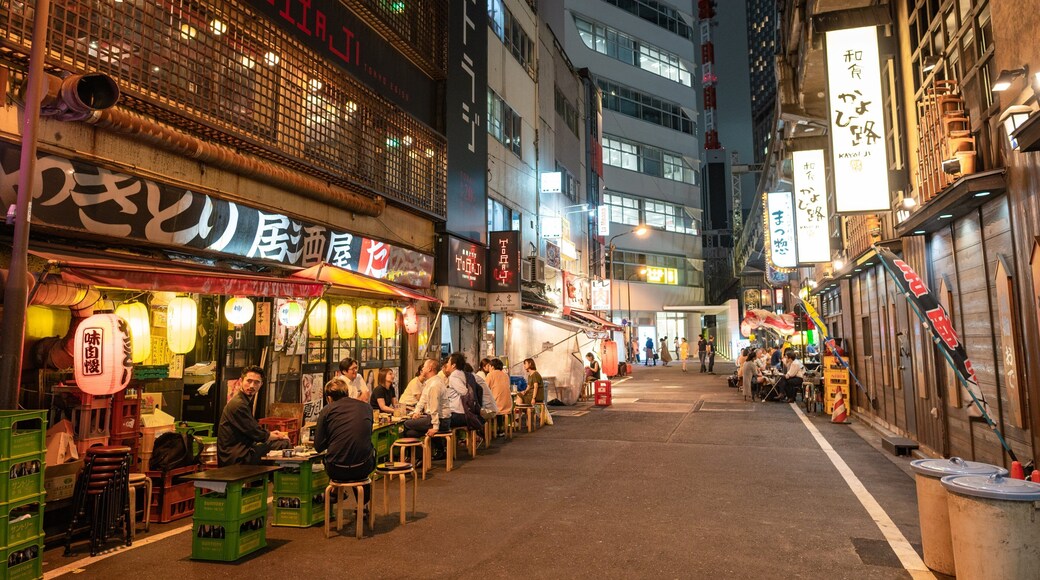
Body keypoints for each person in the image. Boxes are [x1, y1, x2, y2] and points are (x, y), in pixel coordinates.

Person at [313, 376, 375, 511]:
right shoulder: (366, 408)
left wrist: (332, 438)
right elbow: (365, 434)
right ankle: (363, 505)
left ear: (329, 398)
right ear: (347, 392)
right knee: (360, 453)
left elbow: (318, 447)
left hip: (337, 470)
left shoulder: (326, 411)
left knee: (340, 456)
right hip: (364, 467)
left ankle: (334, 493)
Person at [217, 365, 291, 466]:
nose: (252, 385)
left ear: (261, 384)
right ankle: (277, 479)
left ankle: (268, 479)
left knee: (279, 442)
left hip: (243, 451)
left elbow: (253, 429)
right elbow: (256, 433)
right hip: (236, 457)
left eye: (256, 382)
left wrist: (272, 434)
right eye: (249, 381)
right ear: (240, 381)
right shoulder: (238, 404)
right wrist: (277, 436)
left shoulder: (245, 401)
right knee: (283, 443)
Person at [403, 359, 451, 460]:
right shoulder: (430, 382)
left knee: (406, 424)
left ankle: (413, 457)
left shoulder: (434, 385)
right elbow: (423, 399)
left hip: (441, 421)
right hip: (436, 419)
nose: (422, 369)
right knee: (410, 433)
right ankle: (420, 457)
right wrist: (416, 412)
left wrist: (435, 427)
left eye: (424, 366)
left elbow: (434, 409)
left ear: (429, 368)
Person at [485, 358, 512, 433]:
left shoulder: (490, 375)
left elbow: (485, 389)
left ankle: (488, 432)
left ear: (492, 367)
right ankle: (501, 429)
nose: (488, 368)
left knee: (484, 406)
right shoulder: (506, 375)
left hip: (497, 405)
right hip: (508, 405)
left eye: (489, 366)